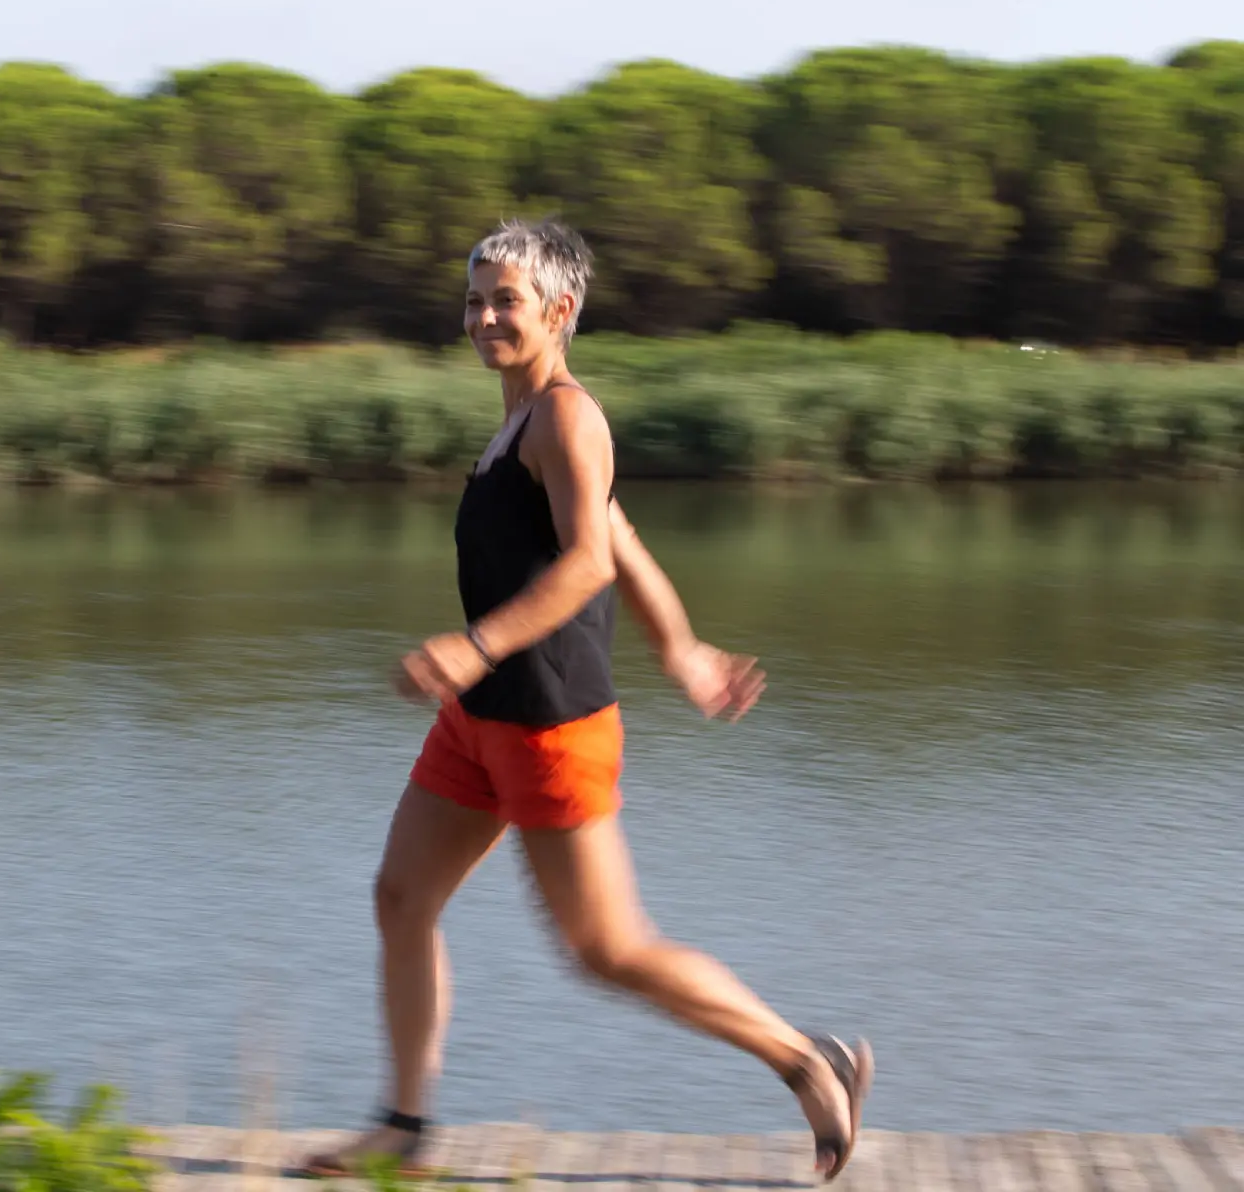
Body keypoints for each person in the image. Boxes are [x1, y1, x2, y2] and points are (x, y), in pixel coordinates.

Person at [297, 219, 872, 1184]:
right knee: (401, 898)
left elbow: (589, 564)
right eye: (474, 297)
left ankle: (806, 1059)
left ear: (559, 311)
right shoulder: (519, 421)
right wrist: (681, 647)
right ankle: (402, 1125)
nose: (483, 315)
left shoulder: (568, 416)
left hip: (550, 724)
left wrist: (471, 644)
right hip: (480, 720)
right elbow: (624, 538)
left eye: (504, 299)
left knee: (607, 949)